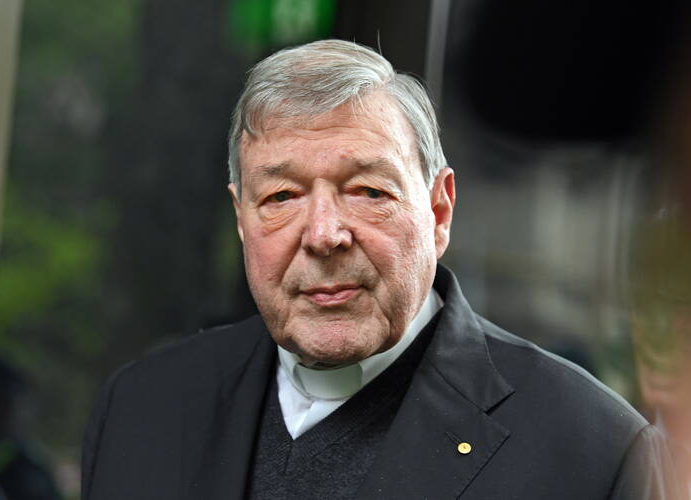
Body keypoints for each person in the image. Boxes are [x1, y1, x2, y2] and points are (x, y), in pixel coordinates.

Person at [82, 40, 677, 499]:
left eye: (367, 190)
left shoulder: (592, 453)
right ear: (242, 219)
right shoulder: (144, 408)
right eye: (282, 197)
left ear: (439, 211)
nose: (323, 235)